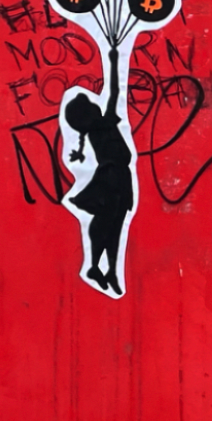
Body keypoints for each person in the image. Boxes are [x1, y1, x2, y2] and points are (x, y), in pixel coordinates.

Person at [64, 47, 135, 295]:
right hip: (113, 178)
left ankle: (107, 270)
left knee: (113, 224)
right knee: (111, 224)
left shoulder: (99, 126)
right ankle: (100, 267)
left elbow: (114, 92)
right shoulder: (104, 123)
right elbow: (114, 91)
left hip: (119, 177)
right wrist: (114, 63)